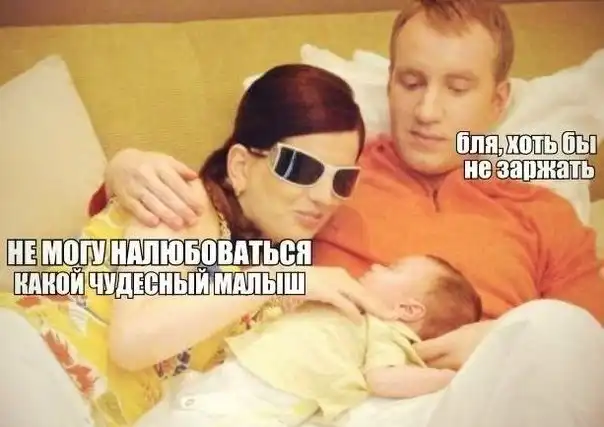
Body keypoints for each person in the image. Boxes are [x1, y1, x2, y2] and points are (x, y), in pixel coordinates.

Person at [95, 1, 604, 426]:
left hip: (472, 398)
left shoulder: (545, 213)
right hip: (337, 399)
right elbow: (220, 203)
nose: (427, 111)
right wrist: (124, 169)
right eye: (411, 82)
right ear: (389, 83)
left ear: (498, 100)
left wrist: (497, 339)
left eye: (457, 87)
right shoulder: (331, 173)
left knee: (560, 331)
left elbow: (587, 353)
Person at [0, 64, 397, 427]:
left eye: (342, 179)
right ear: (241, 166)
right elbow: (132, 342)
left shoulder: (272, 278)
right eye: (301, 167)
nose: (325, 197)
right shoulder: (184, 202)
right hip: (32, 360)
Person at [134, 254, 482, 427]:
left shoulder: (387, 330)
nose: (376, 265)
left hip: (267, 394)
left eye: (391, 268)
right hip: (240, 375)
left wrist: (454, 379)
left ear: (408, 309)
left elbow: (384, 378)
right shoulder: (346, 304)